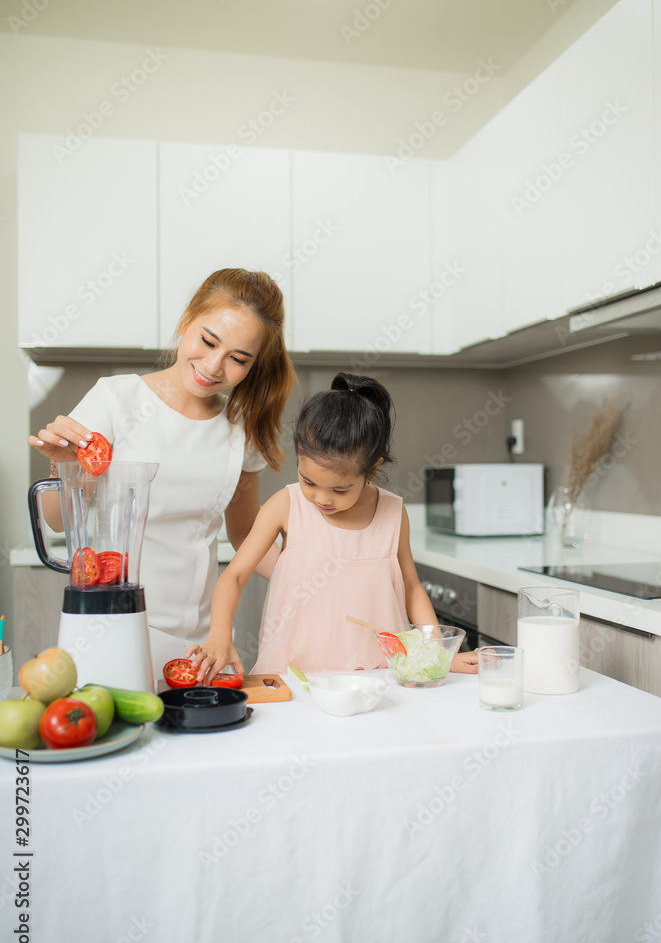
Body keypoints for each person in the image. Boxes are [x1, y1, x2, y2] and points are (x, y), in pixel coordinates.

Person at [28, 268, 295, 672]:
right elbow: (57, 522)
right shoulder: (115, 399)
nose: (213, 366)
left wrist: (313, 581)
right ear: (187, 321)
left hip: (203, 645)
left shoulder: (241, 426)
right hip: (114, 627)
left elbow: (245, 534)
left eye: (238, 359)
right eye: (208, 341)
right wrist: (66, 469)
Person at [189, 371, 479, 682]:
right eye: (308, 481)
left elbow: (412, 589)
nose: (321, 498)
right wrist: (219, 634)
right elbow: (233, 575)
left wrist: (436, 652)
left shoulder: (393, 512)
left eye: (340, 490)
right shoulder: (287, 505)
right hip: (295, 677)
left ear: (373, 469)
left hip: (378, 677)